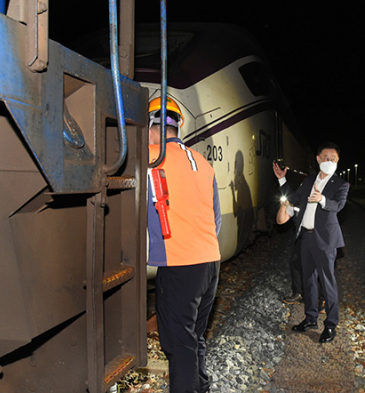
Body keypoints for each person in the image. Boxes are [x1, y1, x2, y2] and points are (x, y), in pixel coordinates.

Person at [147, 96, 222, 393]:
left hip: (179, 265)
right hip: (210, 264)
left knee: (178, 345)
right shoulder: (202, 163)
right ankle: (201, 388)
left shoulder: (151, 155)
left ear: (150, 127)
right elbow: (216, 218)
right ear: (178, 126)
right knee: (193, 337)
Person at [273, 142, 349, 343]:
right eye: (326, 158)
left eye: (333, 159)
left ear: (338, 161)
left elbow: (338, 205)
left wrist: (322, 199)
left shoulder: (341, 184)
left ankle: (331, 324)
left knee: (327, 282)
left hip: (325, 240)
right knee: (308, 281)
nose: (329, 162)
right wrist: (282, 181)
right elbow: (295, 199)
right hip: (306, 237)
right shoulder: (308, 182)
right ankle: (311, 318)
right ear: (318, 159)